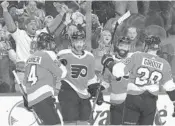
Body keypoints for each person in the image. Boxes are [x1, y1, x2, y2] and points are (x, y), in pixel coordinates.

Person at [101, 35, 175, 125]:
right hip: (150, 102)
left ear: (145, 46)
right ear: (158, 48)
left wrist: (108, 62)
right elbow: (170, 87)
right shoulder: (165, 63)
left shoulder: (137, 56)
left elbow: (118, 71)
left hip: (134, 99)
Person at [57, 27, 106, 125]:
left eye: (81, 42)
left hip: (84, 94)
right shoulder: (63, 54)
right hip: (68, 92)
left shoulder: (89, 57)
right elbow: (54, 68)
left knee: (84, 121)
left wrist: (96, 91)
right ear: (72, 42)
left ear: (84, 42)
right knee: (70, 120)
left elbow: (91, 78)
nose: (79, 44)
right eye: (76, 42)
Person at [23, 32, 67, 125]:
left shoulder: (30, 57)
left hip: (33, 98)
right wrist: (61, 64)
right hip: (43, 96)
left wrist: (27, 96)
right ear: (46, 44)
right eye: (51, 42)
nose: (53, 45)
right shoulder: (49, 54)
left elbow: (25, 81)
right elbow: (62, 73)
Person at [102, 36, 131, 125]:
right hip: (116, 103)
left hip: (131, 103)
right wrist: (99, 90)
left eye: (126, 46)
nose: (123, 48)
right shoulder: (109, 61)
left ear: (129, 48)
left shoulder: (133, 60)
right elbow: (106, 82)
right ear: (117, 46)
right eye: (121, 45)